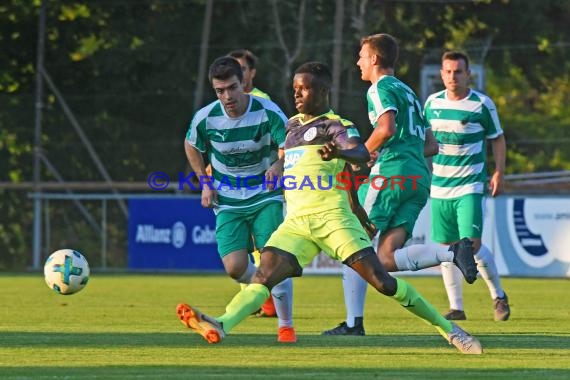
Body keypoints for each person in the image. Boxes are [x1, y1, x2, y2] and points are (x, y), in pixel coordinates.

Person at [176, 61, 483, 355]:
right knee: (262, 278)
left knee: (384, 283)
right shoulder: (291, 127)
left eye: (304, 89)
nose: (296, 94)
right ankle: (221, 324)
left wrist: (341, 152)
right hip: (296, 224)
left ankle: (449, 329)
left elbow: (361, 154)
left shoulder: (337, 126)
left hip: (335, 222)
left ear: (322, 92)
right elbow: (295, 163)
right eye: (294, 88)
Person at [323, 33, 477, 337]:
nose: (358, 62)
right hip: (418, 178)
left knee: (353, 239)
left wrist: (362, 154)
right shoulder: (408, 91)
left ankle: (354, 324)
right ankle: (452, 253)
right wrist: (397, 150)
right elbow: (430, 144)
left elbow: (387, 127)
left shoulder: (379, 87)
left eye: (362, 56)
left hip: (391, 176)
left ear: (375, 59)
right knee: (385, 258)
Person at [183, 56, 296, 342]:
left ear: (243, 83)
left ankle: (286, 326)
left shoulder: (267, 111)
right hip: (228, 201)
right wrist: (205, 183)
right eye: (219, 90)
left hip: (265, 196)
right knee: (234, 268)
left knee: (273, 260)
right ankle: (263, 290)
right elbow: (190, 145)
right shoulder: (206, 117)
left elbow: (289, 144)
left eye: (232, 88)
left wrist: (278, 166)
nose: (227, 96)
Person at [424, 51, 510, 321]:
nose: (453, 76)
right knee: (447, 248)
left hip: (470, 184)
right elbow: (423, 139)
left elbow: (497, 138)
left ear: (468, 74)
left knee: (470, 245)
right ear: (441, 74)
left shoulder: (481, 104)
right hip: (439, 187)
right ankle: (457, 307)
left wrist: (499, 172)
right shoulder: (431, 103)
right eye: (448, 71)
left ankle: (498, 296)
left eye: (458, 71)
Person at [228, 48, 279, 318]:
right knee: (243, 248)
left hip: (260, 188)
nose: (238, 74)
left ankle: (266, 301)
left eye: (243, 69)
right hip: (234, 188)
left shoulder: (260, 101)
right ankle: (258, 298)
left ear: (251, 73)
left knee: (264, 246)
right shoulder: (227, 103)